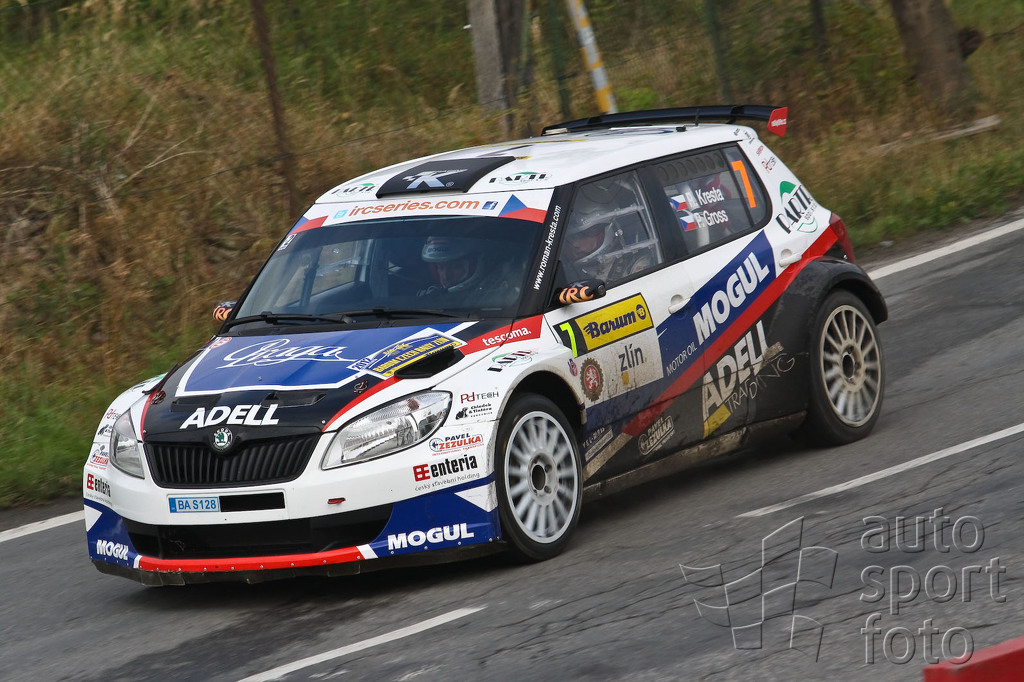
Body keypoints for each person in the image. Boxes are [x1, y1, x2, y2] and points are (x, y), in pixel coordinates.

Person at [562, 174, 661, 283]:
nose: (575, 244)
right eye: (571, 237)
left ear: (608, 229)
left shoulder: (636, 265)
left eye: (583, 235)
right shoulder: (565, 275)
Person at [419, 235, 486, 294]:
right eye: (441, 267)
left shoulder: (487, 297)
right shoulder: (427, 298)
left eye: (455, 267)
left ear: (473, 266)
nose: (446, 277)